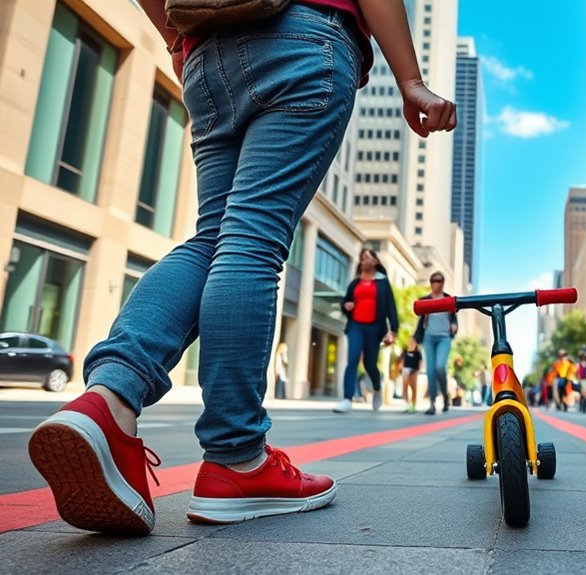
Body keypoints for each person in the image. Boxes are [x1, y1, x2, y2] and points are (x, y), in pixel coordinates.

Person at [27, 0, 456, 535]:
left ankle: (108, 398)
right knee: (251, 241)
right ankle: (237, 459)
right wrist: (410, 79)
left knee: (213, 238)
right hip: (305, 41)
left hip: (208, 53)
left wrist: (176, 41)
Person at [336, 248, 400, 413]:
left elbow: (391, 308)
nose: (362, 260)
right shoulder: (355, 283)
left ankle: (377, 389)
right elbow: (345, 303)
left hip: (374, 328)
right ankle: (347, 399)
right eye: (361, 258)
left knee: (370, 364)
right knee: (352, 360)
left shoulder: (383, 282)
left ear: (375, 261)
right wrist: (346, 306)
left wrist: (393, 331)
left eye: (366, 257)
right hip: (355, 326)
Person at [413, 272, 458, 415]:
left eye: (439, 281)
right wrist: (415, 338)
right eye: (433, 280)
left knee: (440, 367)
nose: (436, 283)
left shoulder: (449, 299)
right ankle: (432, 404)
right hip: (429, 338)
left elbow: (454, 319)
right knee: (430, 371)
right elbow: (419, 318)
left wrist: (454, 326)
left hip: (444, 338)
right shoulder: (425, 300)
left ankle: (445, 396)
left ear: (443, 283)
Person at [399, 336, 422, 413]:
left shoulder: (418, 352)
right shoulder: (404, 351)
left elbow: (420, 362)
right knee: (405, 386)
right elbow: (401, 361)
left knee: (413, 388)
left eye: (413, 341)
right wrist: (401, 368)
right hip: (406, 369)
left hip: (414, 370)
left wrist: (419, 370)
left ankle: (413, 405)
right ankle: (406, 404)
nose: (411, 343)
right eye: (410, 341)